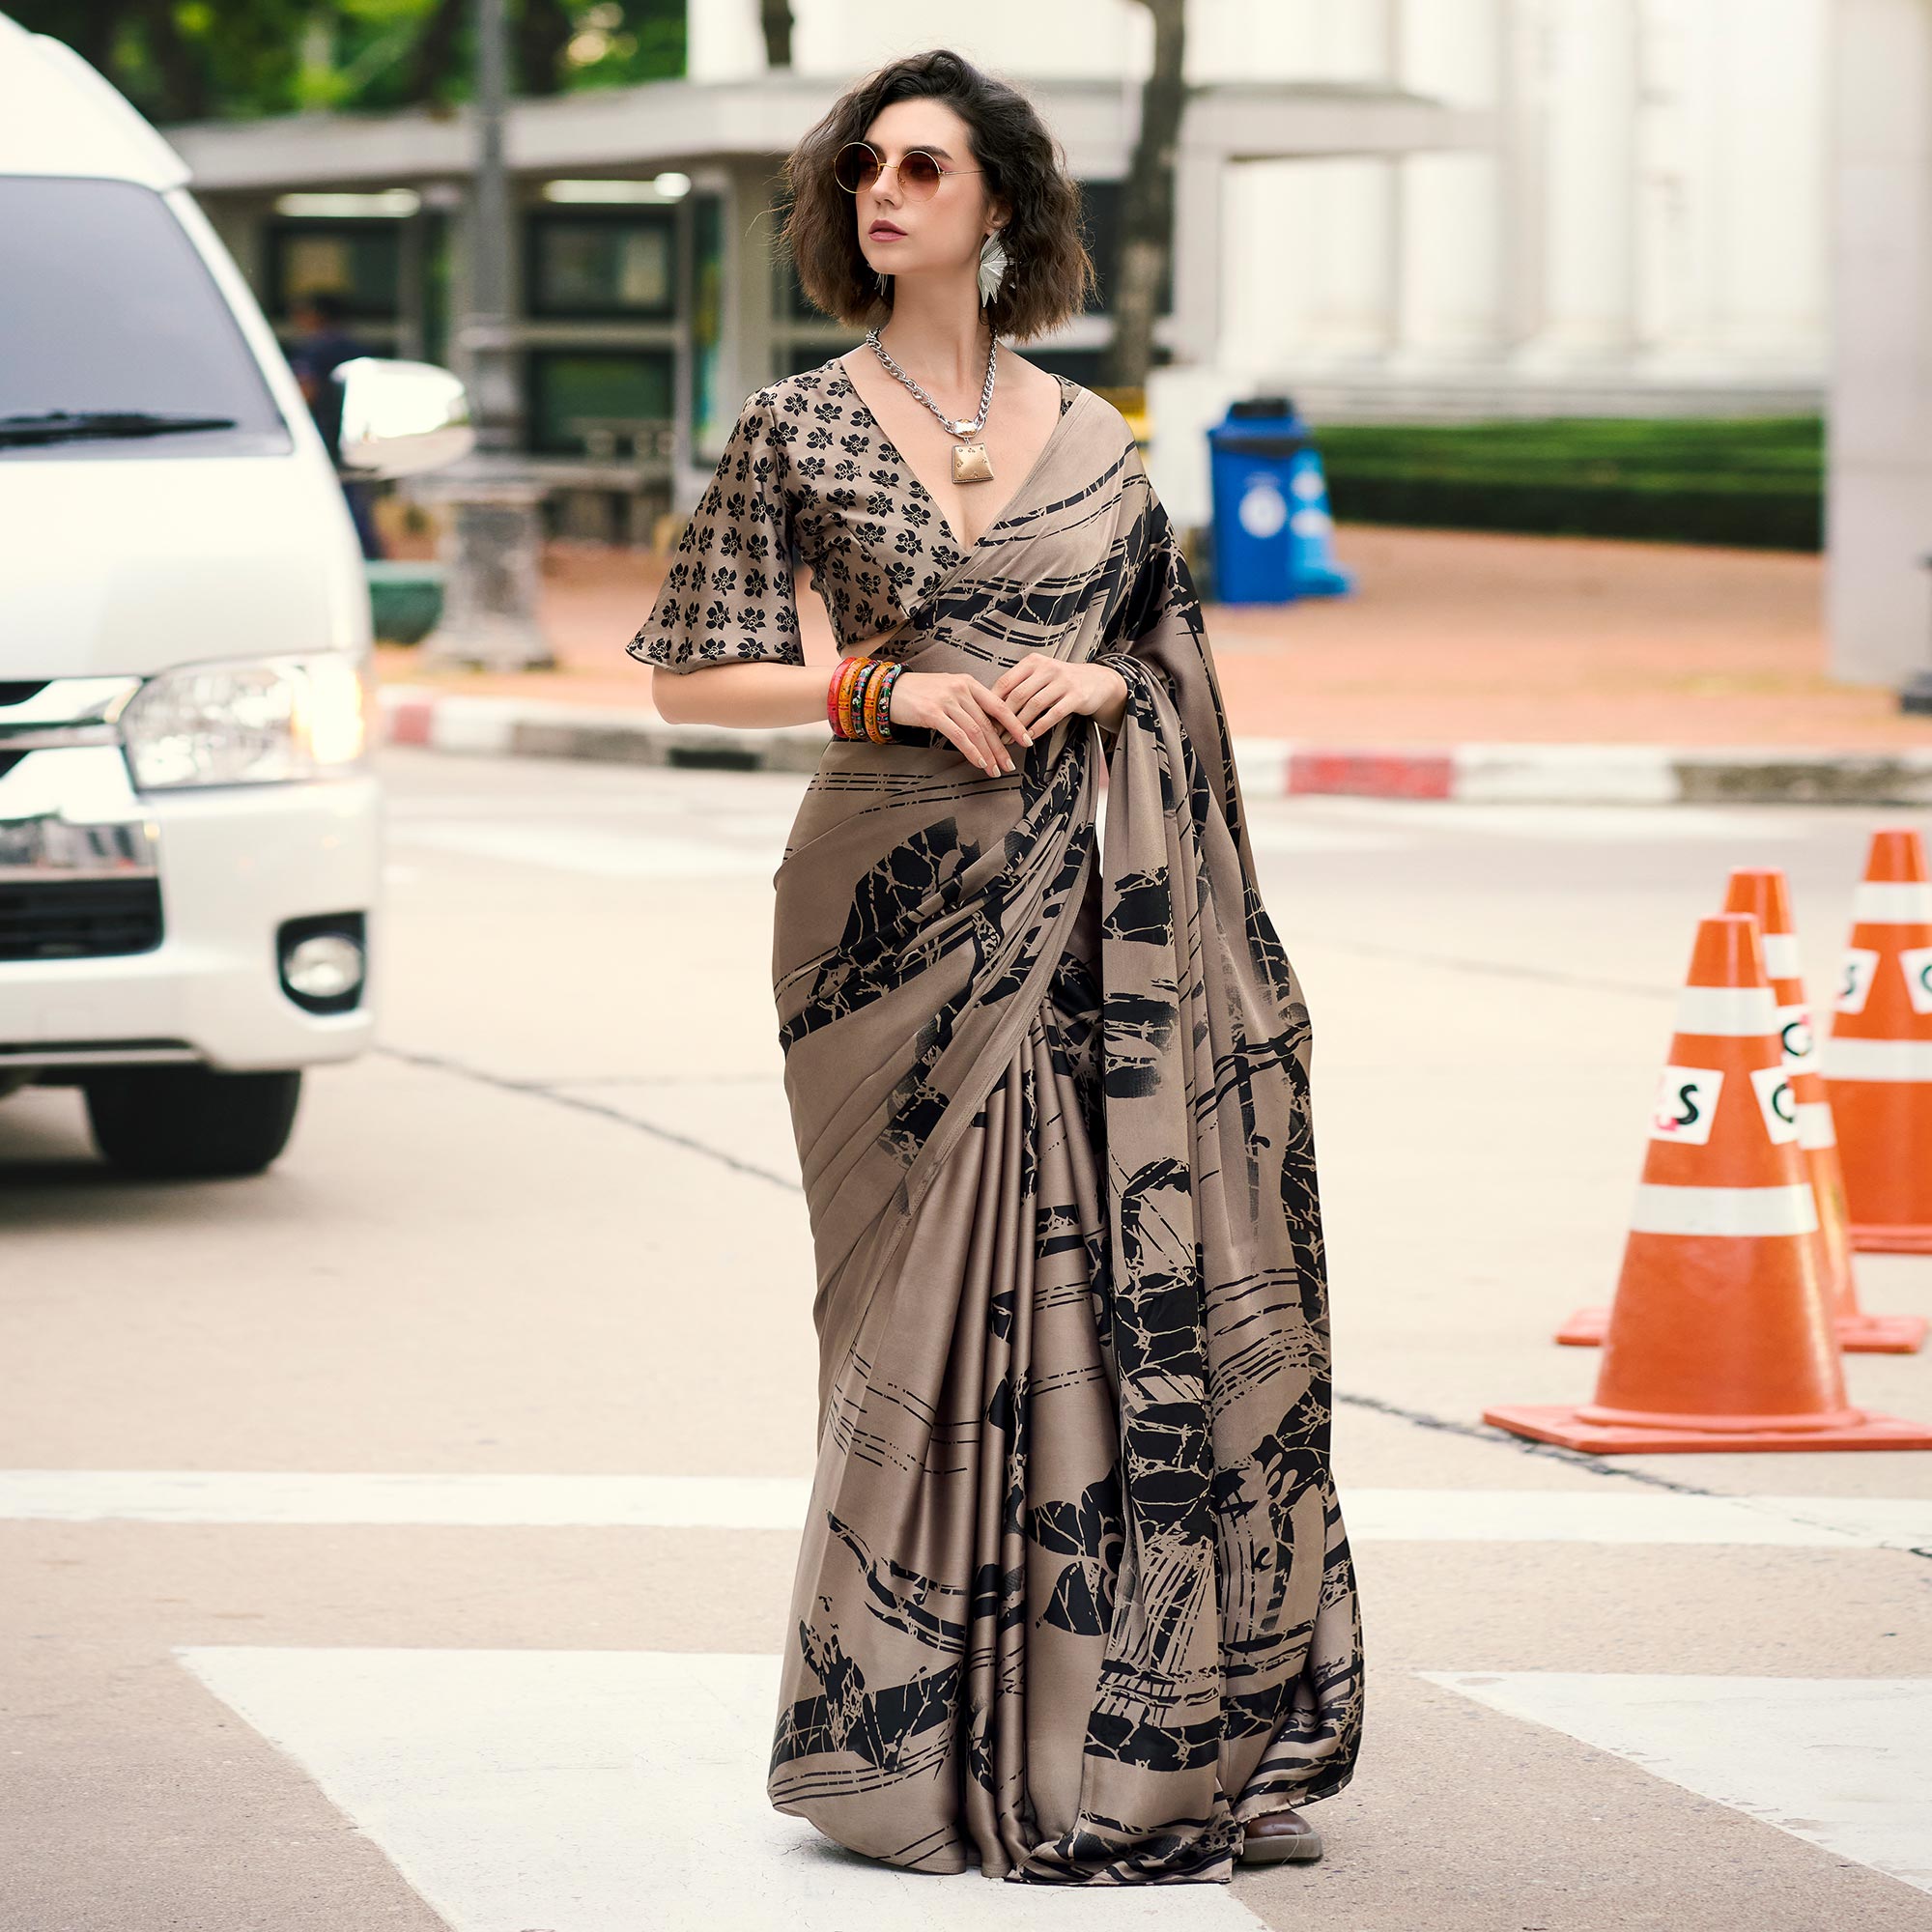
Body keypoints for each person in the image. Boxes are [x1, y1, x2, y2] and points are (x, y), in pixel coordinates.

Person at [627, 47, 1365, 1886]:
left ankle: (1129, 1739)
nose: (884, 192)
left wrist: (1106, 678)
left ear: (1000, 208)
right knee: (915, 1321)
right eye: (863, 166)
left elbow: (1169, 653)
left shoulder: (1100, 438)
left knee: (1119, 1308)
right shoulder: (796, 427)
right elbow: (683, 674)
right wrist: (881, 682)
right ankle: (901, 1754)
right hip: (889, 927)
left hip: (1097, 918)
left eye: (924, 168)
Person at [287, 290, 385, 559]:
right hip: (357, 434)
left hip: (325, 436)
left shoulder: (316, 348)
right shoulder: (356, 347)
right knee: (357, 503)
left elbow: (305, 391)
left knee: (330, 501)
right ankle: (370, 555)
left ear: (317, 315)